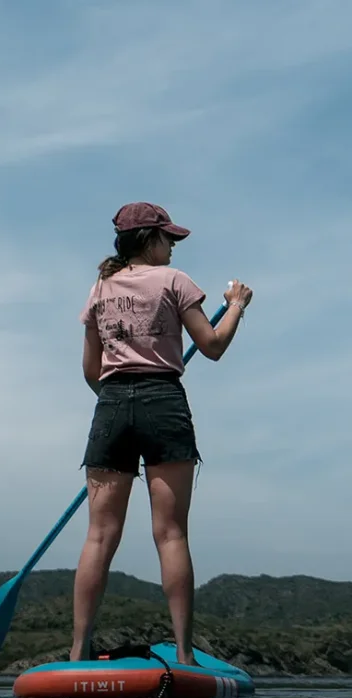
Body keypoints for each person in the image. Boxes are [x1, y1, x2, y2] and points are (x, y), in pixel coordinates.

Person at [70, 202, 253, 665]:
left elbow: (91, 370)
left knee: (98, 537)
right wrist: (235, 307)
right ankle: (186, 655)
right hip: (163, 401)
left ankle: (78, 650)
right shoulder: (176, 282)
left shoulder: (99, 289)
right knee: (170, 535)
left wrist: (118, 403)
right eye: (167, 239)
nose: (171, 246)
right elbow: (211, 346)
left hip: (110, 405)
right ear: (148, 240)